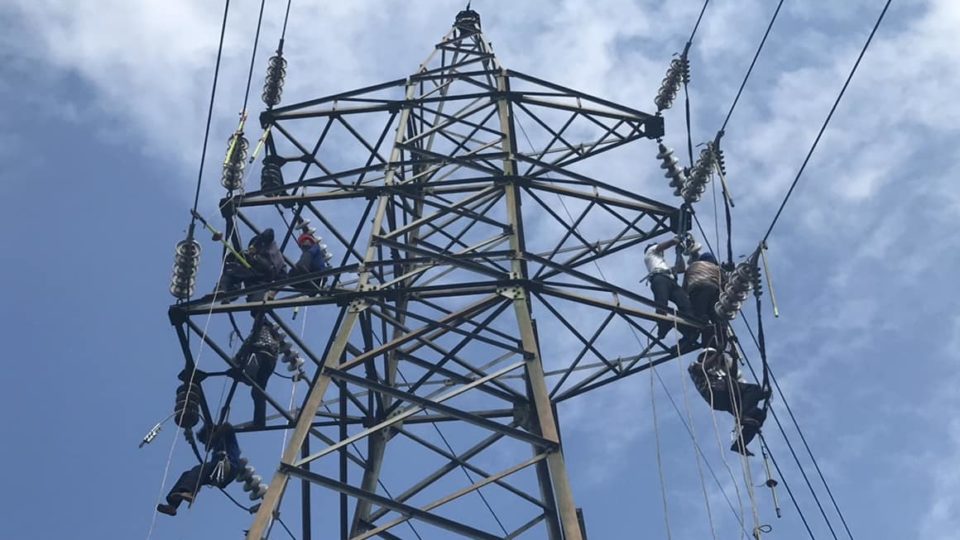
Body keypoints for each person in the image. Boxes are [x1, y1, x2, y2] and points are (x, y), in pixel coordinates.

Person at [688, 347, 770, 456]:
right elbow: (701, 368)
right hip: (716, 391)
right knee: (753, 389)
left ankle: (740, 444)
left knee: (758, 415)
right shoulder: (694, 366)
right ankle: (743, 416)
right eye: (710, 356)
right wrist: (718, 352)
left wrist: (734, 359)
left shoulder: (719, 371)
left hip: (726, 396)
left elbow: (733, 377)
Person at [156, 422, 241, 516]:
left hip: (229, 467)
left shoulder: (227, 438)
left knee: (199, 469)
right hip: (218, 473)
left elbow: (227, 426)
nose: (207, 443)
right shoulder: (216, 448)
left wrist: (214, 438)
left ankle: (189, 492)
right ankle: (172, 505)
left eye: (206, 440)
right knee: (186, 474)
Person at [644, 235, 697, 348]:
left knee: (685, 303)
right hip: (660, 278)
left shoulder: (663, 264)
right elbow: (663, 246)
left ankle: (690, 327)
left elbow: (681, 268)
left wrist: (678, 253)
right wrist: (674, 241)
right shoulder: (650, 252)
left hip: (670, 280)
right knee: (662, 303)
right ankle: (662, 324)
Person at [236, 311, 281, 427]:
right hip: (270, 361)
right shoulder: (274, 335)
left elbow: (249, 341)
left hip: (261, 354)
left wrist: (238, 356)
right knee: (257, 391)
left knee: (253, 384)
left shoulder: (260, 327)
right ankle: (259, 421)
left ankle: (240, 376)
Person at [218, 228, 288, 301]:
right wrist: (272, 293)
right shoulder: (280, 260)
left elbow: (269, 232)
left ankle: (222, 289)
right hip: (261, 278)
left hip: (263, 266)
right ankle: (227, 293)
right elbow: (284, 277)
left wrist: (254, 245)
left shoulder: (268, 245)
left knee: (231, 270)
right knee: (256, 299)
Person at [683, 249, 723, 348]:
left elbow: (684, 287)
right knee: (716, 317)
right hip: (714, 290)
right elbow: (725, 282)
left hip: (698, 290)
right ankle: (721, 340)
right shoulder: (717, 268)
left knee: (700, 316)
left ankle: (703, 341)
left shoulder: (692, 267)